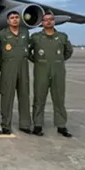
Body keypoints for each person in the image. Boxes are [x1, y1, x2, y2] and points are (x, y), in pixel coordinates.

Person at [28, 10, 74, 138]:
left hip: (58, 71)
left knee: (59, 99)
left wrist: (58, 61)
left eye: (51, 19)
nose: (48, 22)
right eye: (45, 20)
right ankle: (37, 125)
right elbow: (28, 51)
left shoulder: (62, 36)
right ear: (42, 23)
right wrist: (38, 61)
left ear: (54, 21)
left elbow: (68, 51)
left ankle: (61, 125)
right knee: (39, 98)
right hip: (41, 71)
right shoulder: (36, 37)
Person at [0, 10, 31, 135]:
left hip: (23, 67)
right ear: (8, 21)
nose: (15, 19)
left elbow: (29, 49)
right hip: (8, 67)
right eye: (12, 18)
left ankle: (25, 124)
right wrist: (4, 67)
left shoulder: (25, 33)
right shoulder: (2, 34)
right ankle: (6, 124)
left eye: (17, 17)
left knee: (24, 95)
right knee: (7, 96)